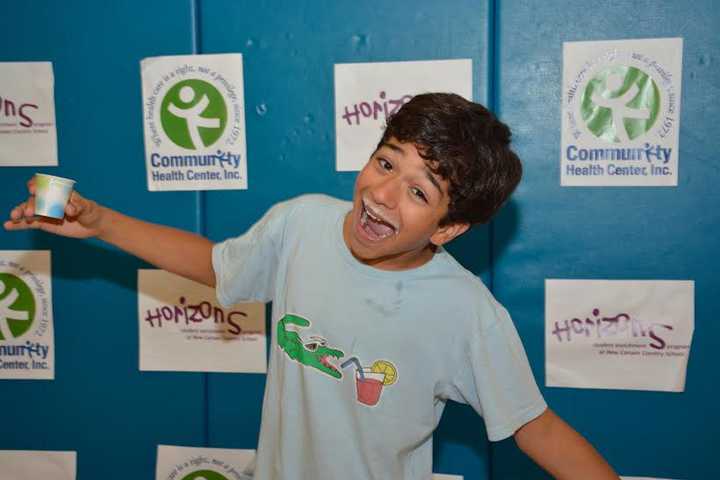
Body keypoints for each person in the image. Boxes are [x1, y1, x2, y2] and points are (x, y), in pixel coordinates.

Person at [4, 93, 619, 480]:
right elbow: (220, 266)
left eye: (418, 191)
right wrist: (102, 221)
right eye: (386, 162)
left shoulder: (466, 311)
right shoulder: (302, 222)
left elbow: (535, 426)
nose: (381, 194)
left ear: (450, 227)